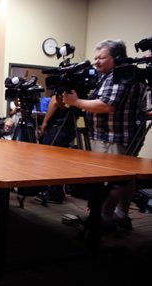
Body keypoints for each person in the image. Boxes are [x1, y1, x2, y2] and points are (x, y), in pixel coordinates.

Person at [63, 39, 148, 231]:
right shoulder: (122, 74)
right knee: (126, 178)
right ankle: (121, 215)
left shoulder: (118, 75)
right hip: (118, 136)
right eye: (95, 58)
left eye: (101, 58)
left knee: (113, 181)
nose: (96, 62)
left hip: (112, 137)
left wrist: (76, 102)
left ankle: (103, 218)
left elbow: (107, 105)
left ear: (116, 57)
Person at [36, 93, 78, 204]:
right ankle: (56, 192)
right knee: (60, 161)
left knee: (50, 160)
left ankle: (53, 193)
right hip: (69, 127)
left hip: (58, 127)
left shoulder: (65, 88)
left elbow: (55, 101)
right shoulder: (79, 91)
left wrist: (45, 122)